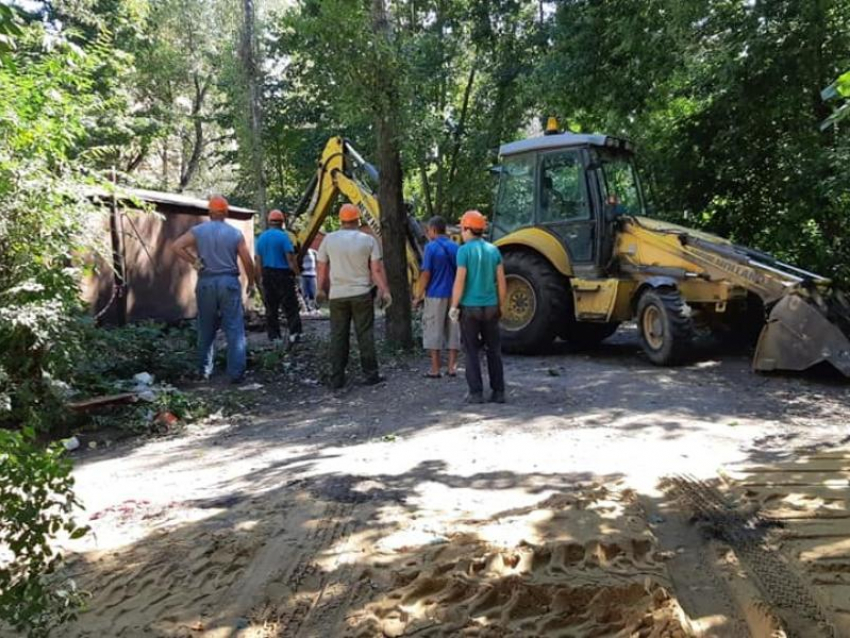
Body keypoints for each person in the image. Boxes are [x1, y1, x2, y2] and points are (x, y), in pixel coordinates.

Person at [172, 195, 255, 383]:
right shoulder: (235, 234)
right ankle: (236, 373)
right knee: (234, 328)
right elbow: (247, 260)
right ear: (225, 212)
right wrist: (251, 282)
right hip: (229, 283)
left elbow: (176, 246)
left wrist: (194, 261)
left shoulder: (198, 231)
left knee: (205, 327)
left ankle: (203, 371)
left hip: (206, 282)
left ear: (210, 212)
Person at [317, 203, 392, 389]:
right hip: (361, 294)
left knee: (338, 336)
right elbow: (375, 269)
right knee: (365, 335)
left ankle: (337, 379)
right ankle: (371, 375)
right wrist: (385, 290)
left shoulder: (329, 240)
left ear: (341, 220)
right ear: (358, 219)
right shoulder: (367, 240)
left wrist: (320, 289)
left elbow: (321, 267)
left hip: (337, 295)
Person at [449, 210, 507, 404]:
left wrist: (454, 305)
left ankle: (476, 393)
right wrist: (501, 305)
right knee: (494, 350)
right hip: (491, 307)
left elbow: (460, 281)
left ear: (467, 229)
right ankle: (498, 392)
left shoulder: (463, 251)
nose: (461, 233)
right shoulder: (494, 250)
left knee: (472, 351)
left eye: (462, 229)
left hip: (470, 309)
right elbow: (501, 281)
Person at [414, 216, 460, 378]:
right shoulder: (455, 247)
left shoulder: (430, 248)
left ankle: (435, 368)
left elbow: (426, 274)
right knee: (453, 329)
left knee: (434, 329)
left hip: (435, 295)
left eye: (428, 230)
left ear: (433, 230)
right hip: (454, 295)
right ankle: (452, 367)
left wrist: (418, 295)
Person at [255, 209, 303, 346]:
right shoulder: (284, 237)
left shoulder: (261, 238)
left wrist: (259, 278)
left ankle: (274, 336)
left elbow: (258, 261)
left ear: (269, 221)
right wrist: (298, 275)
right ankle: (295, 333)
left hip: (267, 274)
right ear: (282, 222)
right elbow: (291, 259)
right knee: (291, 306)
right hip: (283, 275)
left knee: (271, 307)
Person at [300, 246, 319, 312]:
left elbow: (319, 259)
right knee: (304, 293)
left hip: (312, 275)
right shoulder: (300, 253)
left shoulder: (313, 252)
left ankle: (313, 308)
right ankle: (306, 309)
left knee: (313, 293)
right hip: (303, 275)